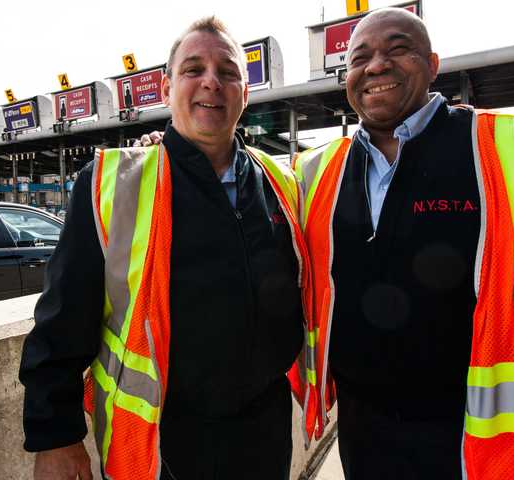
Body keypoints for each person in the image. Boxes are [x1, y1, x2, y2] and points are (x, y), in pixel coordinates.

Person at [294, 7, 514, 480]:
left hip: (487, 440)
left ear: (433, 64)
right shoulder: (317, 171)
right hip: (367, 435)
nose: (376, 65)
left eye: (398, 49)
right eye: (359, 57)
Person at [19, 16, 309, 480]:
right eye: (193, 69)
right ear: (167, 86)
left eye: (228, 72)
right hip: (163, 442)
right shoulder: (112, 183)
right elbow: (62, 317)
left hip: (265, 432)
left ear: (245, 92)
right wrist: (55, 435)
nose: (211, 82)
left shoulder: (281, 184)